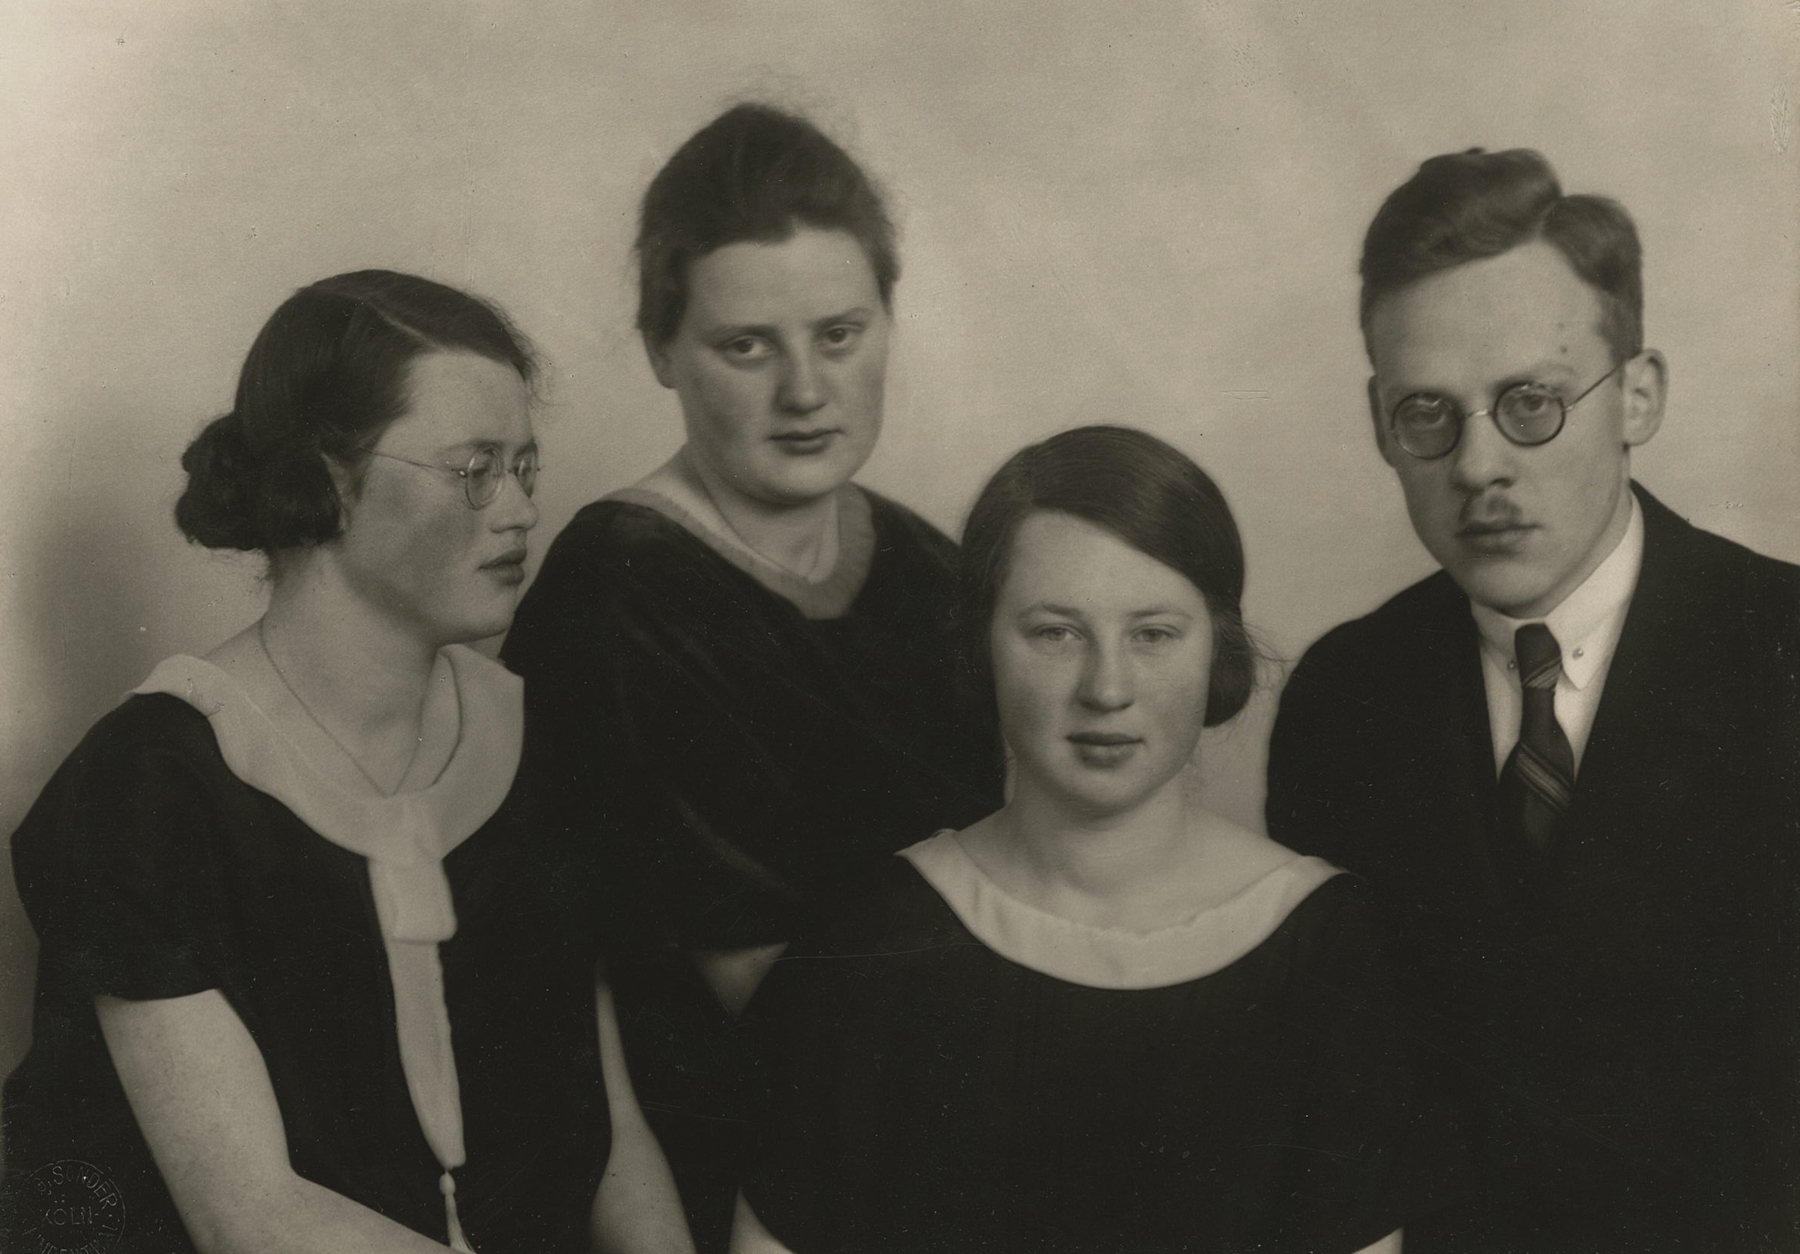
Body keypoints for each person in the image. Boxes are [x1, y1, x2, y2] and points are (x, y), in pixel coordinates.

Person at [1, 271, 690, 1254]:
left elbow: (611, 1134)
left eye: (524, 468)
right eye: (474, 470)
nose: (520, 511)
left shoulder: (540, 741)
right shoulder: (151, 784)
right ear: (331, 479)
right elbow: (250, 1219)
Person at [732, 425, 1464, 1254]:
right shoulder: (867, 943)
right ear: (982, 647)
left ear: (1216, 649)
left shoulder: (1329, 946)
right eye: (1055, 632)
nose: (1106, 688)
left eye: (1153, 633)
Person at [1266, 149, 1800, 1252]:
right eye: (1428, 414)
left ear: (1639, 396)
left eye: (1530, 404)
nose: (1477, 466)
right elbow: (1342, 1116)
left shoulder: (1783, 648)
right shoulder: (1344, 699)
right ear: (1379, 424)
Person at [501, 104, 1003, 1252]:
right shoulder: (618, 591)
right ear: (660, 348)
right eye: (746, 346)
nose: (806, 391)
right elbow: (788, 1010)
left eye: (840, 333)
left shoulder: (930, 566)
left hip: (942, 1115)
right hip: (722, 1183)